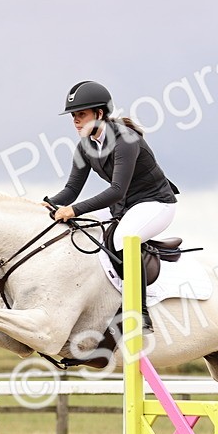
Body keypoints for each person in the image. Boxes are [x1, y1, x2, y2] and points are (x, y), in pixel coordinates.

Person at [43, 80, 179, 332]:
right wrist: (48, 204)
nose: (76, 121)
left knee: (123, 238)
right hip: (125, 207)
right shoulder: (85, 146)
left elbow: (117, 191)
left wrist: (73, 210)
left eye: (81, 114)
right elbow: (71, 190)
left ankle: (140, 313)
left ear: (100, 113)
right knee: (83, 232)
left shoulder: (125, 141)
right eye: (73, 116)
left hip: (156, 203)